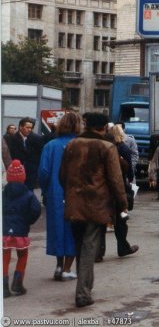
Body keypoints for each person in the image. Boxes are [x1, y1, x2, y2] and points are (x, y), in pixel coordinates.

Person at [59, 112, 129, 308]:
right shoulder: (107, 147)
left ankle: (85, 286)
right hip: (97, 203)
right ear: (104, 127)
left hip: (75, 203)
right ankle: (82, 292)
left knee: (81, 245)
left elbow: (62, 175)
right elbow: (115, 180)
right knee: (90, 247)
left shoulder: (72, 145)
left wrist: (71, 193)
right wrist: (122, 203)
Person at [38, 112, 81, 281]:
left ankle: (58, 265)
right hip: (76, 194)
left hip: (55, 193)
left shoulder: (50, 146)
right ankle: (67, 268)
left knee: (57, 229)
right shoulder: (80, 145)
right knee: (73, 230)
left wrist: (45, 190)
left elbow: (43, 172)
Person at [96, 125, 139, 261]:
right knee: (122, 219)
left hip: (103, 191)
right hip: (120, 191)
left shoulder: (101, 149)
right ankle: (123, 247)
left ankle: (98, 252)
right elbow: (128, 171)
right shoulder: (123, 148)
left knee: (102, 221)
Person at [2, 160, 41, 296]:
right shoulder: (28, 195)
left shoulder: (3, 194)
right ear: (23, 177)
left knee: (5, 257)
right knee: (22, 255)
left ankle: (4, 286)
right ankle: (18, 283)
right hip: (21, 230)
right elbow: (36, 210)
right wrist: (27, 221)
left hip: (5, 230)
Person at [8, 117, 44, 190]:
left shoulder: (37, 138)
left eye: (31, 128)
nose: (30, 129)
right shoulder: (12, 138)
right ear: (20, 127)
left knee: (29, 191)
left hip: (31, 172)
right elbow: (11, 155)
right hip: (17, 172)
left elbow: (40, 154)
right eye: (27, 127)